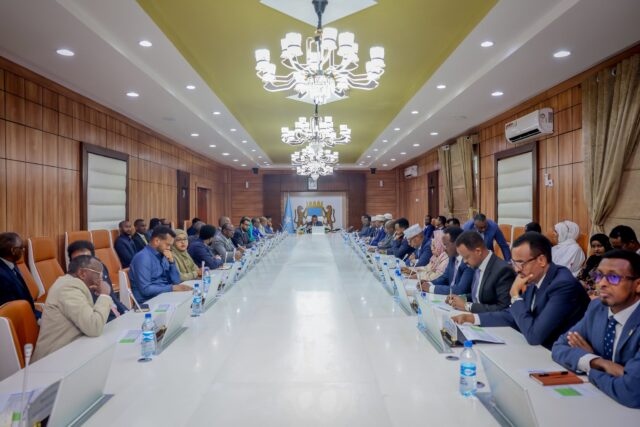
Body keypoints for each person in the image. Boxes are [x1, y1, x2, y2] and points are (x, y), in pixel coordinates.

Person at [453, 232, 590, 349]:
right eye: (514, 263)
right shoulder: (534, 277)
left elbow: (535, 335)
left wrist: (515, 295)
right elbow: (513, 316)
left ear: (541, 260)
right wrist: (472, 318)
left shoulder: (563, 285)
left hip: (561, 356)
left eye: (520, 263)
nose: (516, 269)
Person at [552, 250, 640, 408]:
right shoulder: (597, 307)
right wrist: (597, 362)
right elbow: (559, 347)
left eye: (613, 277)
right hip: (601, 403)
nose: (602, 283)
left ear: (638, 285)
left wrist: (590, 370)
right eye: (599, 275)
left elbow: (632, 391)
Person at [32, 256, 112, 362]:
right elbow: (94, 326)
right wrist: (104, 295)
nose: (101, 280)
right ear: (82, 273)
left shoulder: (71, 285)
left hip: (70, 353)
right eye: (98, 274)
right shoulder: (68, 288)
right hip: (53, 361)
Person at [446, 230, 514, 313]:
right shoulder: (477, 264)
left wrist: (467, 306)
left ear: (478, 251)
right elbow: (479, 295)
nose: (464, 261)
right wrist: (461, 298)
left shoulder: (503, 270)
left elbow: (504, 309)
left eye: (466, 257)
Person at [67, 240, 127, 323]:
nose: (82, 265)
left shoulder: (100, 269)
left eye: (86, 260)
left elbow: (112, 296)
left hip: (116, 316)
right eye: (77, 261)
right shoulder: (72, 286)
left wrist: (125, 311)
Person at [129, 226, 191, 304]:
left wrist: (172, 263)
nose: (169, 248)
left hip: (164, 295)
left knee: (192, 299)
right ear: (156, 241)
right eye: (167, 245)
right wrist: (172, 288)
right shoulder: (143, 258)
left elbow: (176, 281)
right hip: (149, 301)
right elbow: (145, 290)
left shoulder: (163, 254)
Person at [420, 227, 474, 295]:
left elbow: (460, 290)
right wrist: (429, 283)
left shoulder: (469, 262)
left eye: (446, 245)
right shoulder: (452, 258)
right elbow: (444, 278)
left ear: (457, 243)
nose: (444, 248)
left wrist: (431, 288)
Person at [0, 232, 38, 317]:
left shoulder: (11, 263)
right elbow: (12, 310)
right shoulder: (2, 277)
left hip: (30, 311)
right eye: (21, 248)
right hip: (20, 319)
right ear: (13, 250)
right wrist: (37, 319)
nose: (23, 250)